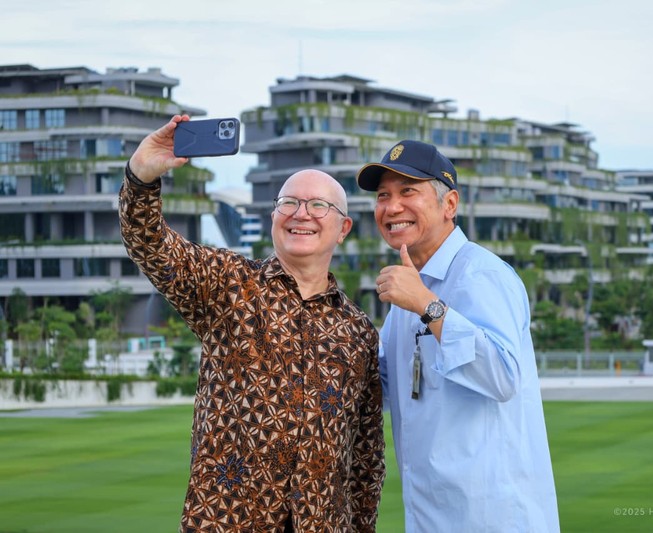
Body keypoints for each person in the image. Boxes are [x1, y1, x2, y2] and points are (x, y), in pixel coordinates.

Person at [119, 115, 385, 532]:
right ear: (273, 216)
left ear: (343, 228)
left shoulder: (358, 333)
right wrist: (141, 177)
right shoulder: (228, 286)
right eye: (288, 203)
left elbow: (366, 461)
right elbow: (150, 244)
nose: (302, 214)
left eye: (318, 205)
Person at [356, 140, 560, 532]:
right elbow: (379, 385)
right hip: (433, 516)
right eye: (383, 195)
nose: (392, 207)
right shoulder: (410, 287)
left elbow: (502, 376)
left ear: (449, 204)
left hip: (493, 520)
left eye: (408, 191)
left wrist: (429, 306)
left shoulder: (481, 274)